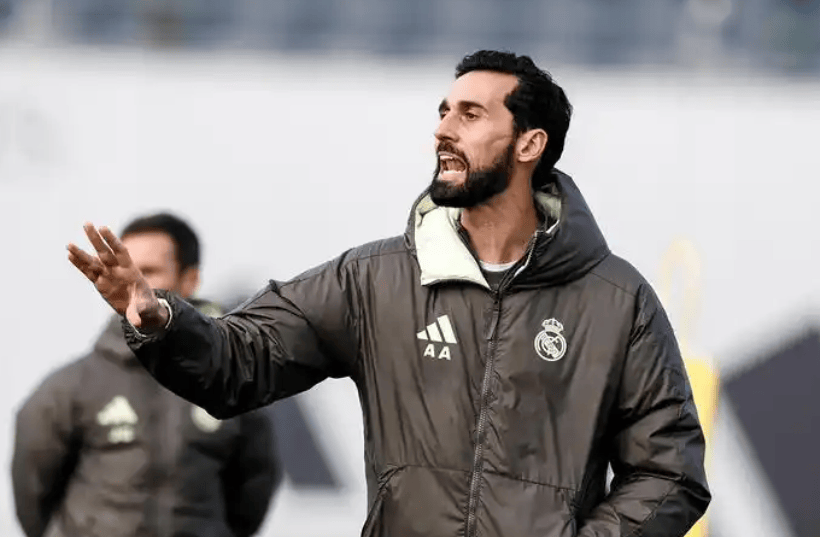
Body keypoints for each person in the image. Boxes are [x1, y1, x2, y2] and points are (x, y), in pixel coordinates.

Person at [67, 51, 711, 537]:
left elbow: (670, 472)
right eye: (442, 112)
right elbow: (241, 359)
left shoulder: (617, 298)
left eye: (470, 114)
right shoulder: (373, 279)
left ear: (529, 144)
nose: (443, 130)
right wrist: (157, 317)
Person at [16, 212, 280, 537]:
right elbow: (33, 499)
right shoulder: (70, 388)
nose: (132, 282)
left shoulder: (230, 379)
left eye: (149, 272)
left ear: (189, 279)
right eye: (124, 269)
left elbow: (253, 489)